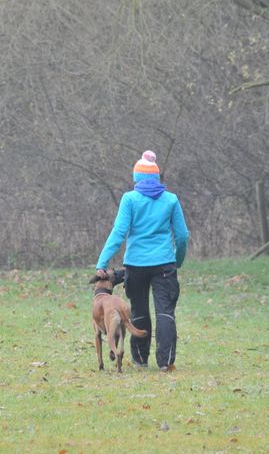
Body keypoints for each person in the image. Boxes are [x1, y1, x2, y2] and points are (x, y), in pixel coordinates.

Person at [95, 150, 190, 372]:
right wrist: (177, 260)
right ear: (156, 177)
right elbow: (182, 236)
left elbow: (119, 233)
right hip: (164, 264)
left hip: (135, 265)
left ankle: (140, 359)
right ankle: (166, 362)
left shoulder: (130, 199)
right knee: (165, 312)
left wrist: (102, 262)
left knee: (138, 311)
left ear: (137, 178)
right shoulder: (171, 200)